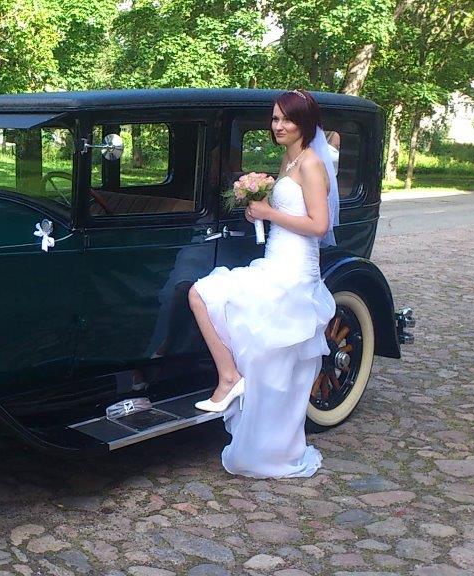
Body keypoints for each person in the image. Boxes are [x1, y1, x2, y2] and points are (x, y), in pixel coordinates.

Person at [186, 89, 339, 478]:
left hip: (294, 271)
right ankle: (233, 381)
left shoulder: (311, 164)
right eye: (274, 119)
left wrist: (269, 212)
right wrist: (260, 212)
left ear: (305, 123)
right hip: (275, 260)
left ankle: (251, 413)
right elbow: (288, 210)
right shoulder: (289, 159)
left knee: (268, 356)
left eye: (287, 119)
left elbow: (319, 225)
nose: (278, 126)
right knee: (207, 299)